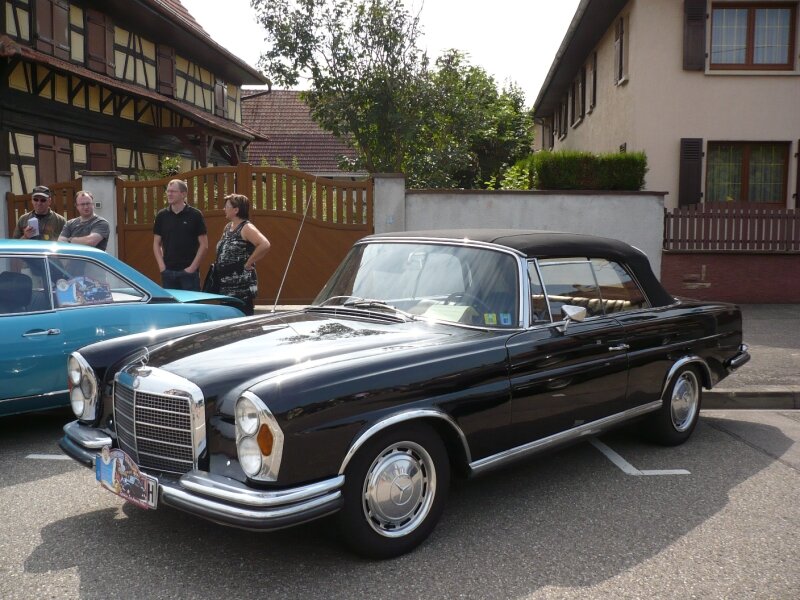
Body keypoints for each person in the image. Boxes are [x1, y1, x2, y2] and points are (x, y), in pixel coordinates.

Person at [210, 194, 271, 315]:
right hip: (225, 286)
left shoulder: (246, 227)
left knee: (241, 318)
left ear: (236, 210)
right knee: (227, 318)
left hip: (240, 287)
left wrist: (249, 263)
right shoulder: (228, 227)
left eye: (227, 206)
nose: (224, 209)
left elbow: (264, 244)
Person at [152, 179, 208, 290]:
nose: (169, 194)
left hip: (189, 274)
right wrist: (162, 267)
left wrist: (192, 268)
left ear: (183, 194)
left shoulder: (195, 215)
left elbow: (204, 245)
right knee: (172, 307)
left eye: (173, 191)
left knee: (191, 307)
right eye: (168, 191)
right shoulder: (162, 216)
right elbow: (156, 243)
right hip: (168, 273)